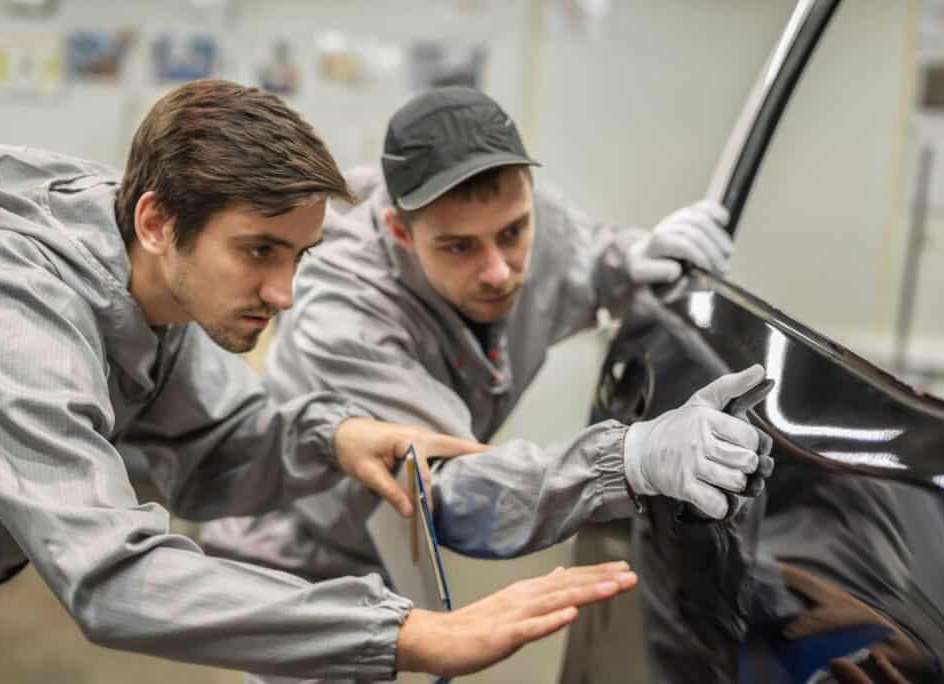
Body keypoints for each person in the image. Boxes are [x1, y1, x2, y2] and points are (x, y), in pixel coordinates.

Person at [0, 79, 643, 682]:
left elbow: (218, 449)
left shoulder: (150, 281)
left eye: (299, 255)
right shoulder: (17, 309)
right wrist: (412, 634)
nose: (285, 293)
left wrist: (336, 436)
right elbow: (111, 576)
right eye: (259, 250)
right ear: (157, 222)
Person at [200, 86, 775, 681]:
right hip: (305, 555)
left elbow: (582, 259)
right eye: (459, 247)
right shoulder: (343, 313)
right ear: (401, 232)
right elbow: (447, 492)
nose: (499, 269)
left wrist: (635, 257)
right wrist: (629, 458)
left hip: (404, 554)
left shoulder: (529, 216)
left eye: (513, 232)